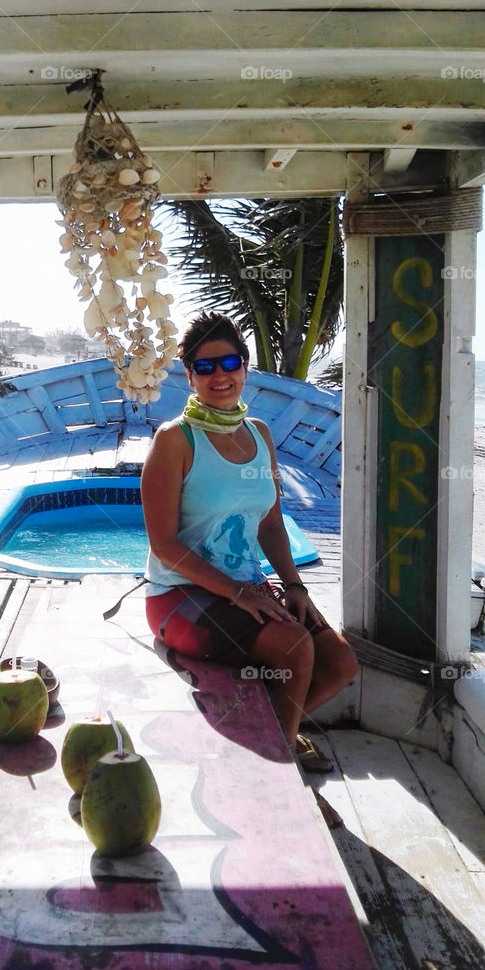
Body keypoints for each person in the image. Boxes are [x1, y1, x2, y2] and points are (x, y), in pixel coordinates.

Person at [140, 311, 357, 822]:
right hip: (179, 596)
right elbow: (165, 545)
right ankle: (280, 785)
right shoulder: (175, 440)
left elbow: (272, 526)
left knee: (341, 662)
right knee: (296, 650)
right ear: (189, 375)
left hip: (248, 589)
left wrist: (294, 586)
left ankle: (273, 736)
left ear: (245, 367)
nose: (220, 375)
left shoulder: (259, 434)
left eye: (230, 362)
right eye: (205, 366)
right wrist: (240, 595)